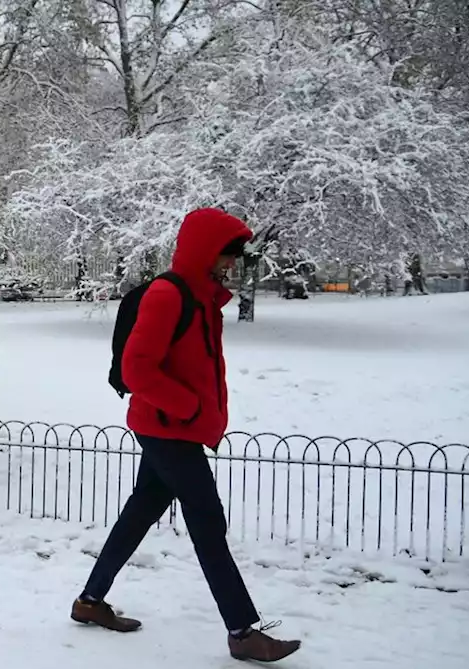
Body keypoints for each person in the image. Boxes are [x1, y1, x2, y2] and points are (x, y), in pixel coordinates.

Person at [70, 208, 301, 663]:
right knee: (208, 522)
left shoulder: (201, 300)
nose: (232, 264)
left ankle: (89, 602)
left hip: (174, 428)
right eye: (226, 254)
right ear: (204, 252)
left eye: (235, 256)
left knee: (141, 512)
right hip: (168, 429)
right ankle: (241, 631)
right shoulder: (168, 295)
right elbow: (138, 369)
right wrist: (191, 408)